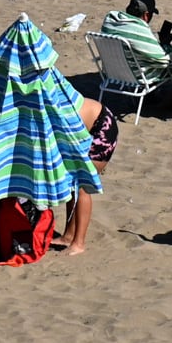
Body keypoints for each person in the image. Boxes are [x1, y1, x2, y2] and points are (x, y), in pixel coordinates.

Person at [59, 96, 115, 256]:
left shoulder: (50, 105)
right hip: (83, 130)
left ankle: (79, 243)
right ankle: (68, 236)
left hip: (102, 126)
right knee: (71, 181)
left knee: (82, 186)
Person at [99, 0, 172, 84]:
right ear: (146, 15)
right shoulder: (140, 30)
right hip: (137, 76)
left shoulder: (110, 19)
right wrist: (166, 44)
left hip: (112, 72)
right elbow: (163, 61)